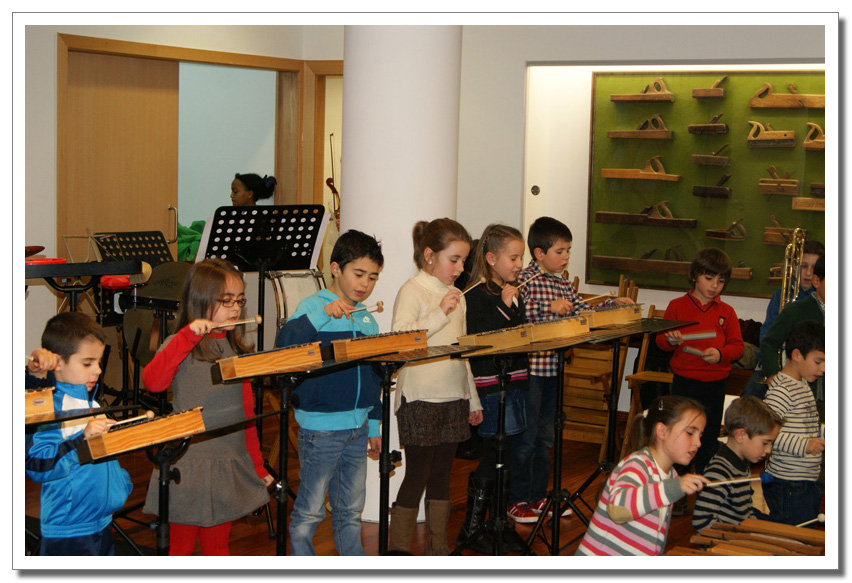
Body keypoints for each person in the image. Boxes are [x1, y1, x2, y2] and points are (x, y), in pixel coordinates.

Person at [141, 259, 272, 555]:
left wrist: (257, 464)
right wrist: (187, 336)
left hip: (227, 460)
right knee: (180, 550)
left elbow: (246, 415)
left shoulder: (235, 349)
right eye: (227, 300)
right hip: (189, 462)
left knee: (217, 549)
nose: (235, 308)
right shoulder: (181, 343)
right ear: (201, 300)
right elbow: (153, 382)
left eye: (239, 300)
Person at [508, 216, 632, 524]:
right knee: (526, 439)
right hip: (529, 372)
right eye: (560, 251)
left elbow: (583, 312)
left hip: (553, 370)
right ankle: (515, 500)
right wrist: (546, 308)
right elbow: (514, 317)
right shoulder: (524, 280)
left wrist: (613, 306)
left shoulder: (563, 283)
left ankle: (538, 497)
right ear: (539, 253)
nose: (565, 257)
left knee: (545, 439)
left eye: (568, 251)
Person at [273, 230, 384, 556]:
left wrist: (374, 425)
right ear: (335, 268)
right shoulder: (312, 306)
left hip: (358, 427)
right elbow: (285, 344)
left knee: (350, 509)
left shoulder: (367, 318)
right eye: (358, 274)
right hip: (320, 429)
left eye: (373, 277)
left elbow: (374, 377)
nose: (365, 284)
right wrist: (323, 315)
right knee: (309, 511)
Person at [387, 218, 483, 555]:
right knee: (418, 474)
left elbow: (461, 351)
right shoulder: (412, 290)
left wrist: (472, 399)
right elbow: (401, 340)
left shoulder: (458, 296)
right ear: (429, 255)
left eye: (463, 261)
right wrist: (439, 313)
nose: (460, 268)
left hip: (454, 395)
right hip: (420, 397)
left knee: (443, 475)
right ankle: (398, 554)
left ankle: (437, 551)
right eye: (453, 259)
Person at [25, 312, 133, 555]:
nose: (97, 370)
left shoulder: (92, 404)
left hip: (101, 521)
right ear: (57, 363)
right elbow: (37, 465)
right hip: (68, 531)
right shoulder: (49, 409)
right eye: (87, 363)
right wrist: (81, 442)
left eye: (99, 362)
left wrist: (121, 483)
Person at [457, 224, 528, 551]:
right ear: (490, 258)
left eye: (521, 258)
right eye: (513, 258)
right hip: (490, 386)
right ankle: (472, 528)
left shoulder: (511, 291)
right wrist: (505, 304)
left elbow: (519, 333)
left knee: (508, 454)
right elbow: (482, 338)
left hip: (514, 382)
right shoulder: (475, 295)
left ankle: (498, 522)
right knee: (494, 454)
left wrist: (511, 305)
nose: (519, 265)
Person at [574, 395, 709, 556]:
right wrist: (672, 488)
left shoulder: (671, 476)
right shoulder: (638, 465)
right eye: (690, 433)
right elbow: (617, 510)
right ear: (662, 431)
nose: (698, 443)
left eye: (700, 435)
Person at [656, 248, 744, 476]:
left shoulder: (727, 312)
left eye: (721, 281)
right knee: (680, 435)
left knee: (709, 436)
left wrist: (720, 354)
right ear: (694, 276)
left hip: (715, 385)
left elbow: (737, 346)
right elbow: (661, 341)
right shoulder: (677, 306)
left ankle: (706, 482)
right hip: (685, 383)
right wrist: (670, 340)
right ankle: (678, 483)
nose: (714, 286)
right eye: (709, 278)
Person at [762, 320, 825, 526]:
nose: (823, 368)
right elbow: (766, 432)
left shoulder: (803, 384)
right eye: (818, 361)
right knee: (793, 538)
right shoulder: (782, 390)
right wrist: (804, 445)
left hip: (804, 482)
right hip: (788, 485)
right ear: (797, 355)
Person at [742, 240, 824, 399]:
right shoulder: (781, 294)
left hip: (806, 366)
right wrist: (769, 366)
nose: (808, 273)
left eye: (814, 267)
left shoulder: (819, 301)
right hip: (775, 361)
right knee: (751, 394)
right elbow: (768, 334)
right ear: (794, 267)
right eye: (804, 266)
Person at [692, 396, 783, 531]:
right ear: (740, 436)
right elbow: (701, 520)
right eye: (765, 443)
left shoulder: (741, 465)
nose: (769, 450)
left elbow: (745, 512)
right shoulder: (719, 471)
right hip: (725, 542)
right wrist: (736, 536)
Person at [760, 254, 825, 415]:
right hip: (800, 395)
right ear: (816, 281)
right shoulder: (795, 310)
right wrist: (772, 374)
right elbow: (769, 343)